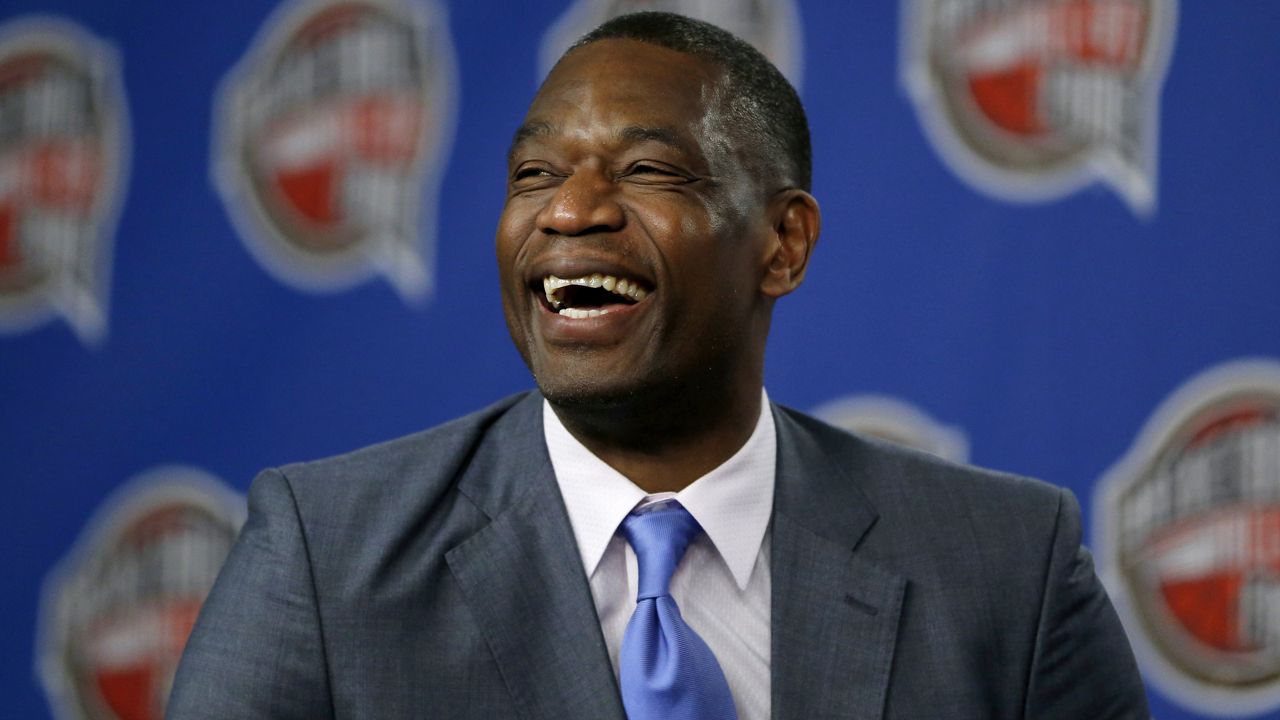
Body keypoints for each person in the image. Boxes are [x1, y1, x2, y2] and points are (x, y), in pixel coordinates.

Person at [168, 11, 1149, 720]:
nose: (569, 211)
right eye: (533, 175)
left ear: (782, 243)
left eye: (643, 172)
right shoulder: (324, 557)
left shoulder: (1005, 567)